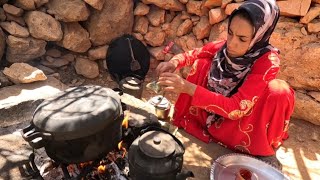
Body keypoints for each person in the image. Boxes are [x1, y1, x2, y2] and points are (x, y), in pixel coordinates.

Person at [156, 0, 295, 169]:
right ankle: (203, 124)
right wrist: (174, 62)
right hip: (216, 113)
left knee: (279, 91)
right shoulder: (224, 48)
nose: (232, 43)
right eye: (230, 33)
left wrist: (187, 88)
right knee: (201, 64)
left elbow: (236, 108)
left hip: (242, 120)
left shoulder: (267, 62)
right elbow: (195, 53)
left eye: (242, 39)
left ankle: (262, 150)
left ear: (259, 36)